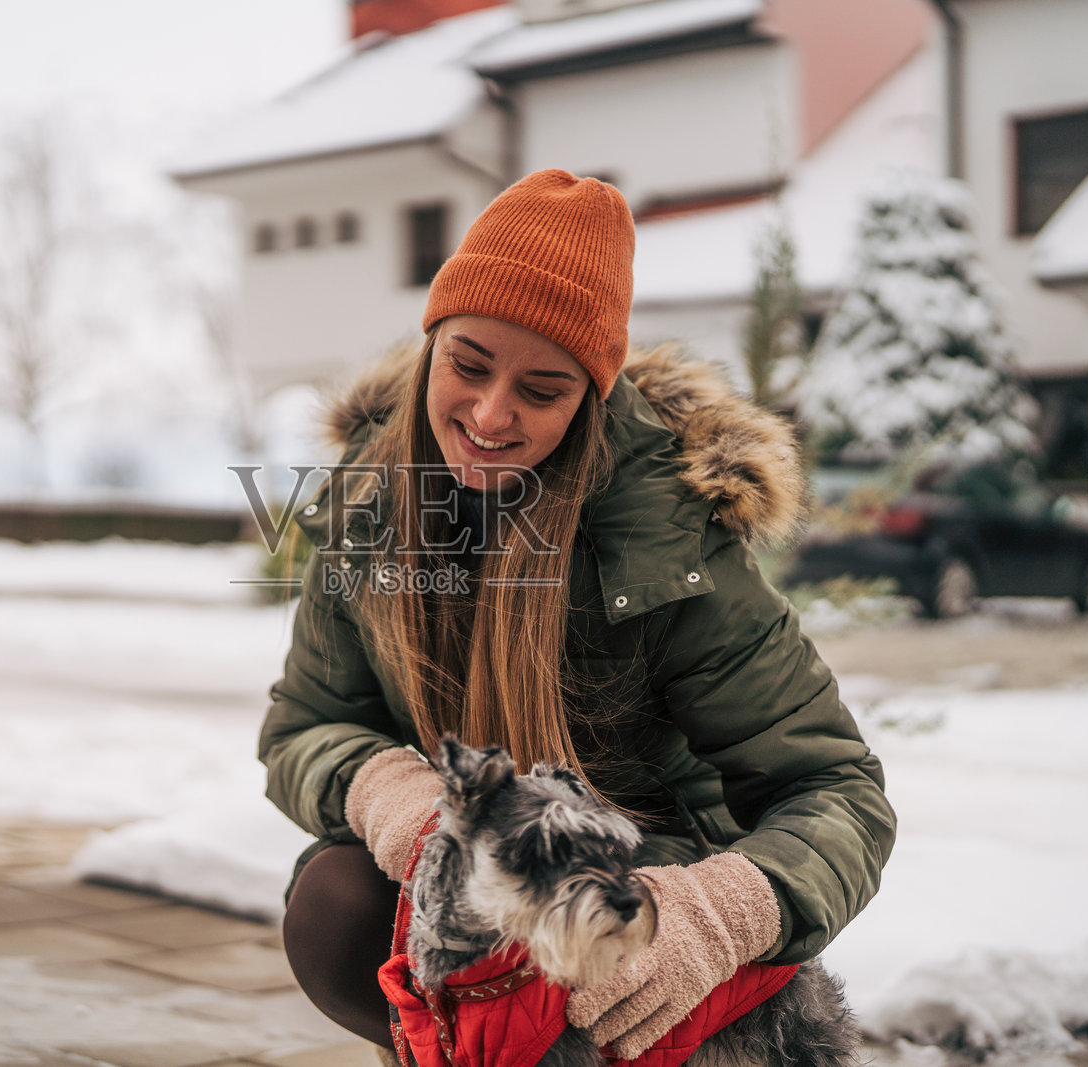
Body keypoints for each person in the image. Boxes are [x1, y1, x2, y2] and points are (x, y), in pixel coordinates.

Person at [258, 169, 895, 1057]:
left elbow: (837, 790)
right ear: (433, 341)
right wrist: (391, 796)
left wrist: (716, 914)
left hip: (640, 892)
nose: (489, 413)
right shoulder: (371, 498)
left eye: (542, 389)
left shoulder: (668, 530)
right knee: (334, 903)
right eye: (468, 365)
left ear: (589, 399)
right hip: (484, 883)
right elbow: (306, 725)